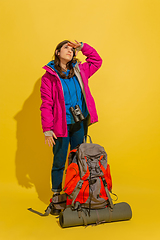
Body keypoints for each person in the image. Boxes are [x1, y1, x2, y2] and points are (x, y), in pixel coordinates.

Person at [40, 40, 102, 214]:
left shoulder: (80, 70)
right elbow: (46, 104)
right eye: (66, 47)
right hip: (60, 126)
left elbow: (97, 60)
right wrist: (47, 129)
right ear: (58, 52)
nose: (70, 50)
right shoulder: (49, 78)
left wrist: (82, 46)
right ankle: (57, 198)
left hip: (79, 123)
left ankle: (77, 195)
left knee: (78, 160)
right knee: (59, 161)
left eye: (72, 49)